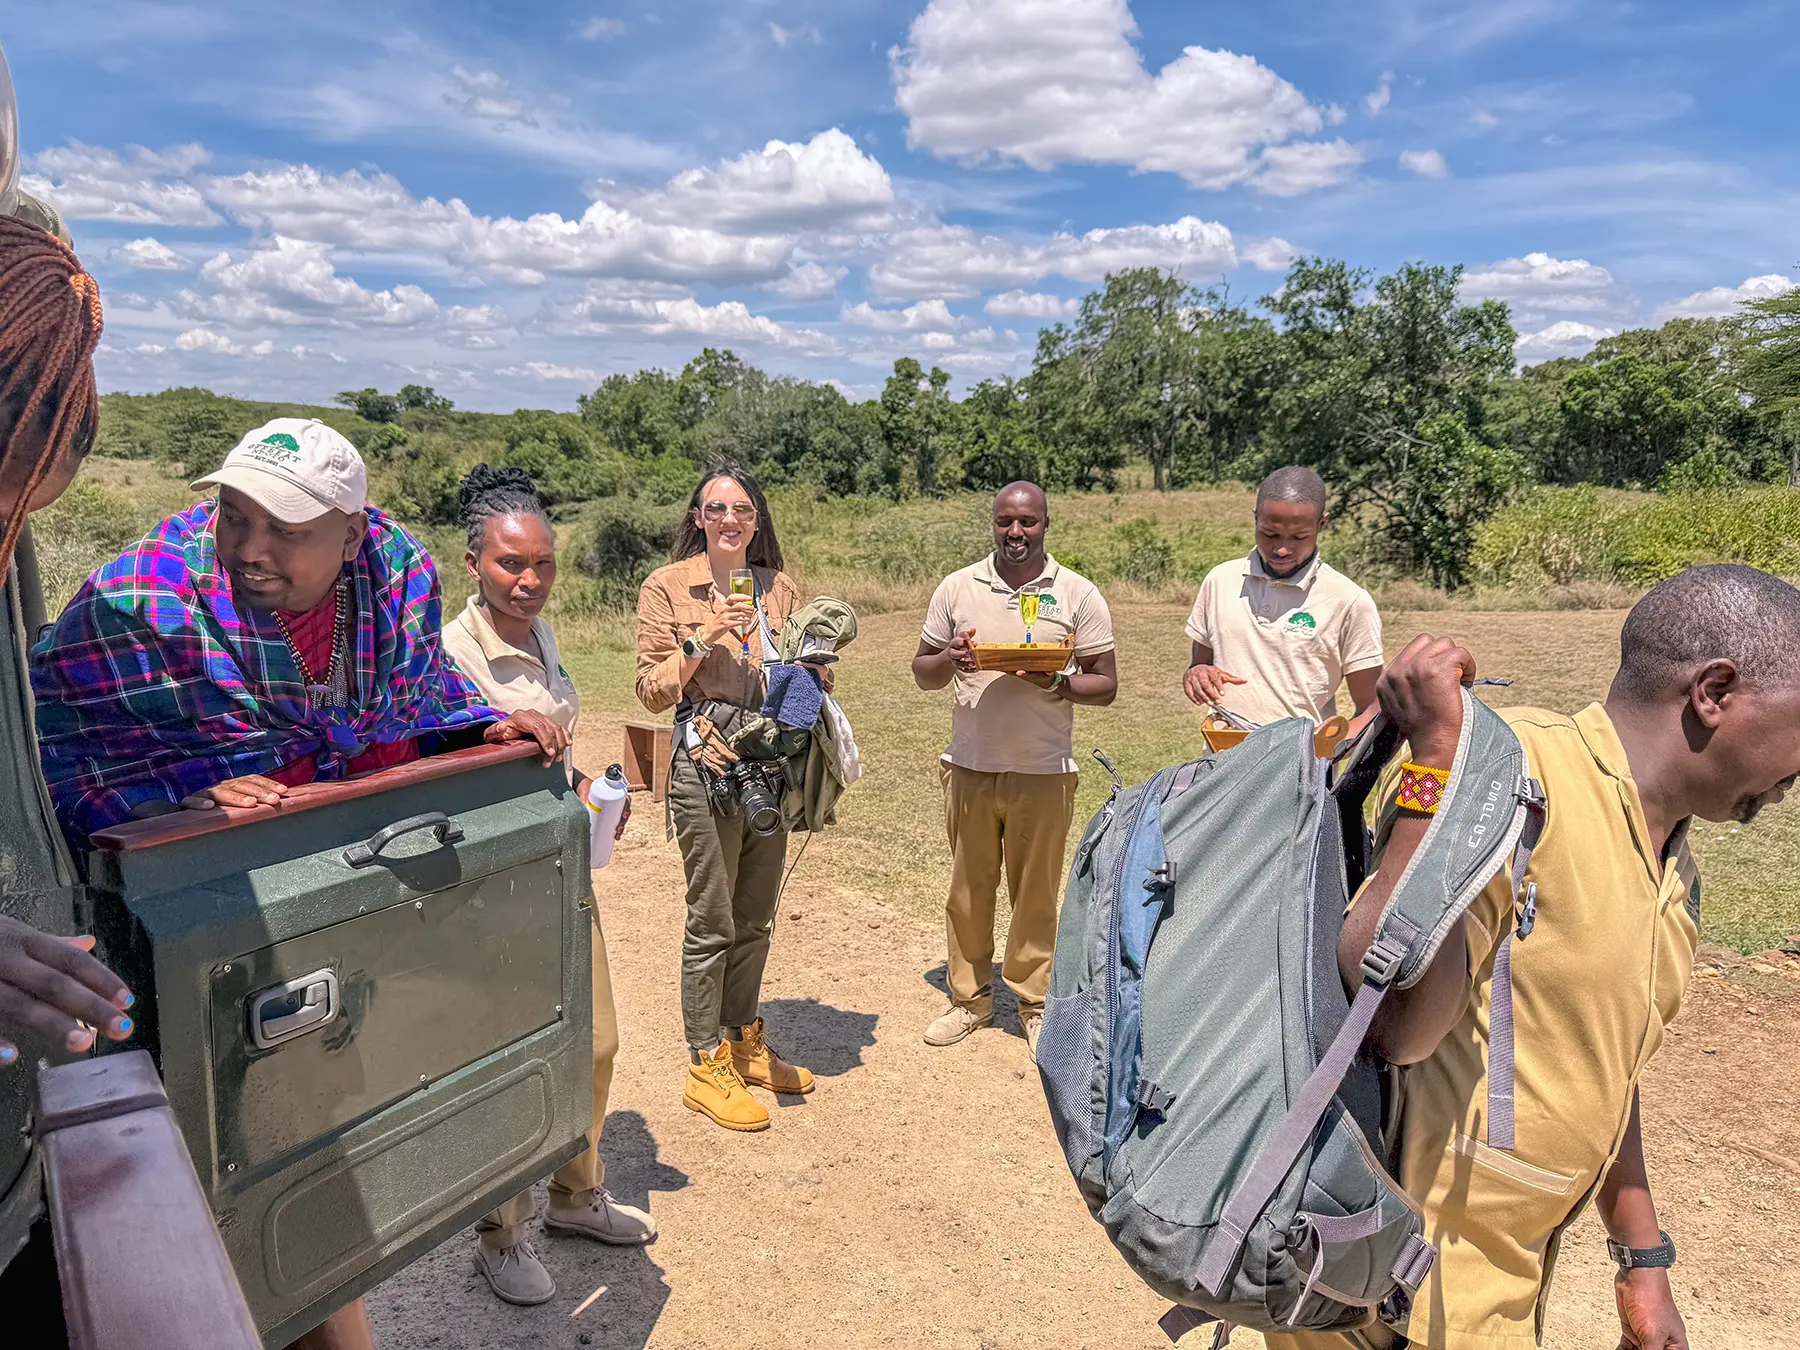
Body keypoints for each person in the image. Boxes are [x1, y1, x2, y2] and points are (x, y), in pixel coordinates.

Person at [1274, 563, 1800, 1350]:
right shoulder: (1515, 782)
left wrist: (1642, 1259)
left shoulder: (1673, 868)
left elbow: (1601, 1064)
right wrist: (1437, 768)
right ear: (1714, 692)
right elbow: (1390, 1024)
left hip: (1497, 1294)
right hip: (1388, 1294)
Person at [31, 418, 568, 842]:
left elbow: (428, 704)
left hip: (388, 852)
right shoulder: (140, 602)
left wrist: (483, 729)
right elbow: (58, 759)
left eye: (285, 530)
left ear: (351, 536)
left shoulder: (398, 583)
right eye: (234, 515)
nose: (249, 550)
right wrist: (170, 808)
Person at [440, 465, 654, 1306]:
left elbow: (543, 747)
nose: (528, 581)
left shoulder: (541, 636)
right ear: (473, 564)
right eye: (509, 565)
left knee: (593, 1042)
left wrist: (584, 799)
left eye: (543, 565)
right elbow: (451, 763)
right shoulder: (452, 654)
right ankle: (502, 1231)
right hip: (494, 887)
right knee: (510, 1058)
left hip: (563, 865)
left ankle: (574, 1196)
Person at [635, 461, 819, 1133]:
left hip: (767, 763)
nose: (731, 520)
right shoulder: (666, 586)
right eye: (717, 509)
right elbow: (652, 690)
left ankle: (742, 1040)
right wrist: (703, 637)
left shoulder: (779, 587)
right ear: (699, 519)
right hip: (704, 761)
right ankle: (703, 1061)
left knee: (756, 915)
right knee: (710, 917)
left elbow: (801, 679)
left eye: (743, 510)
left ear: (756, 521)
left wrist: (809, 670)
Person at [913, 482, 1117, 1054]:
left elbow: (1105, 684)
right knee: (969, 890)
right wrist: (949, 658)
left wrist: (1059, 680)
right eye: (1006, 521)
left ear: (1046, 524)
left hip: (1044, 770)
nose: (1016, 533)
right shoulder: (958, 587)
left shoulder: (1077, 593)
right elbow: (922, 670)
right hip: (971, 765)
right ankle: (969, 1000)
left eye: (1028, 522)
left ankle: (1034, 1003)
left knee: (1035, 893)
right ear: (994, 524)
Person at [1182, 466, 1383, 729]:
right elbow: (1200, 664)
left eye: (1299, 537)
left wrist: (1328, 749)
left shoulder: (1349, 601)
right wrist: (1196, 674)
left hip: (1302, 764)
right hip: (1222, 761)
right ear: (1256, 518)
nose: (1282, 548)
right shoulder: (1220, 581)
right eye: (1270, 534)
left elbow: (1372, 707)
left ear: (1321, 524)